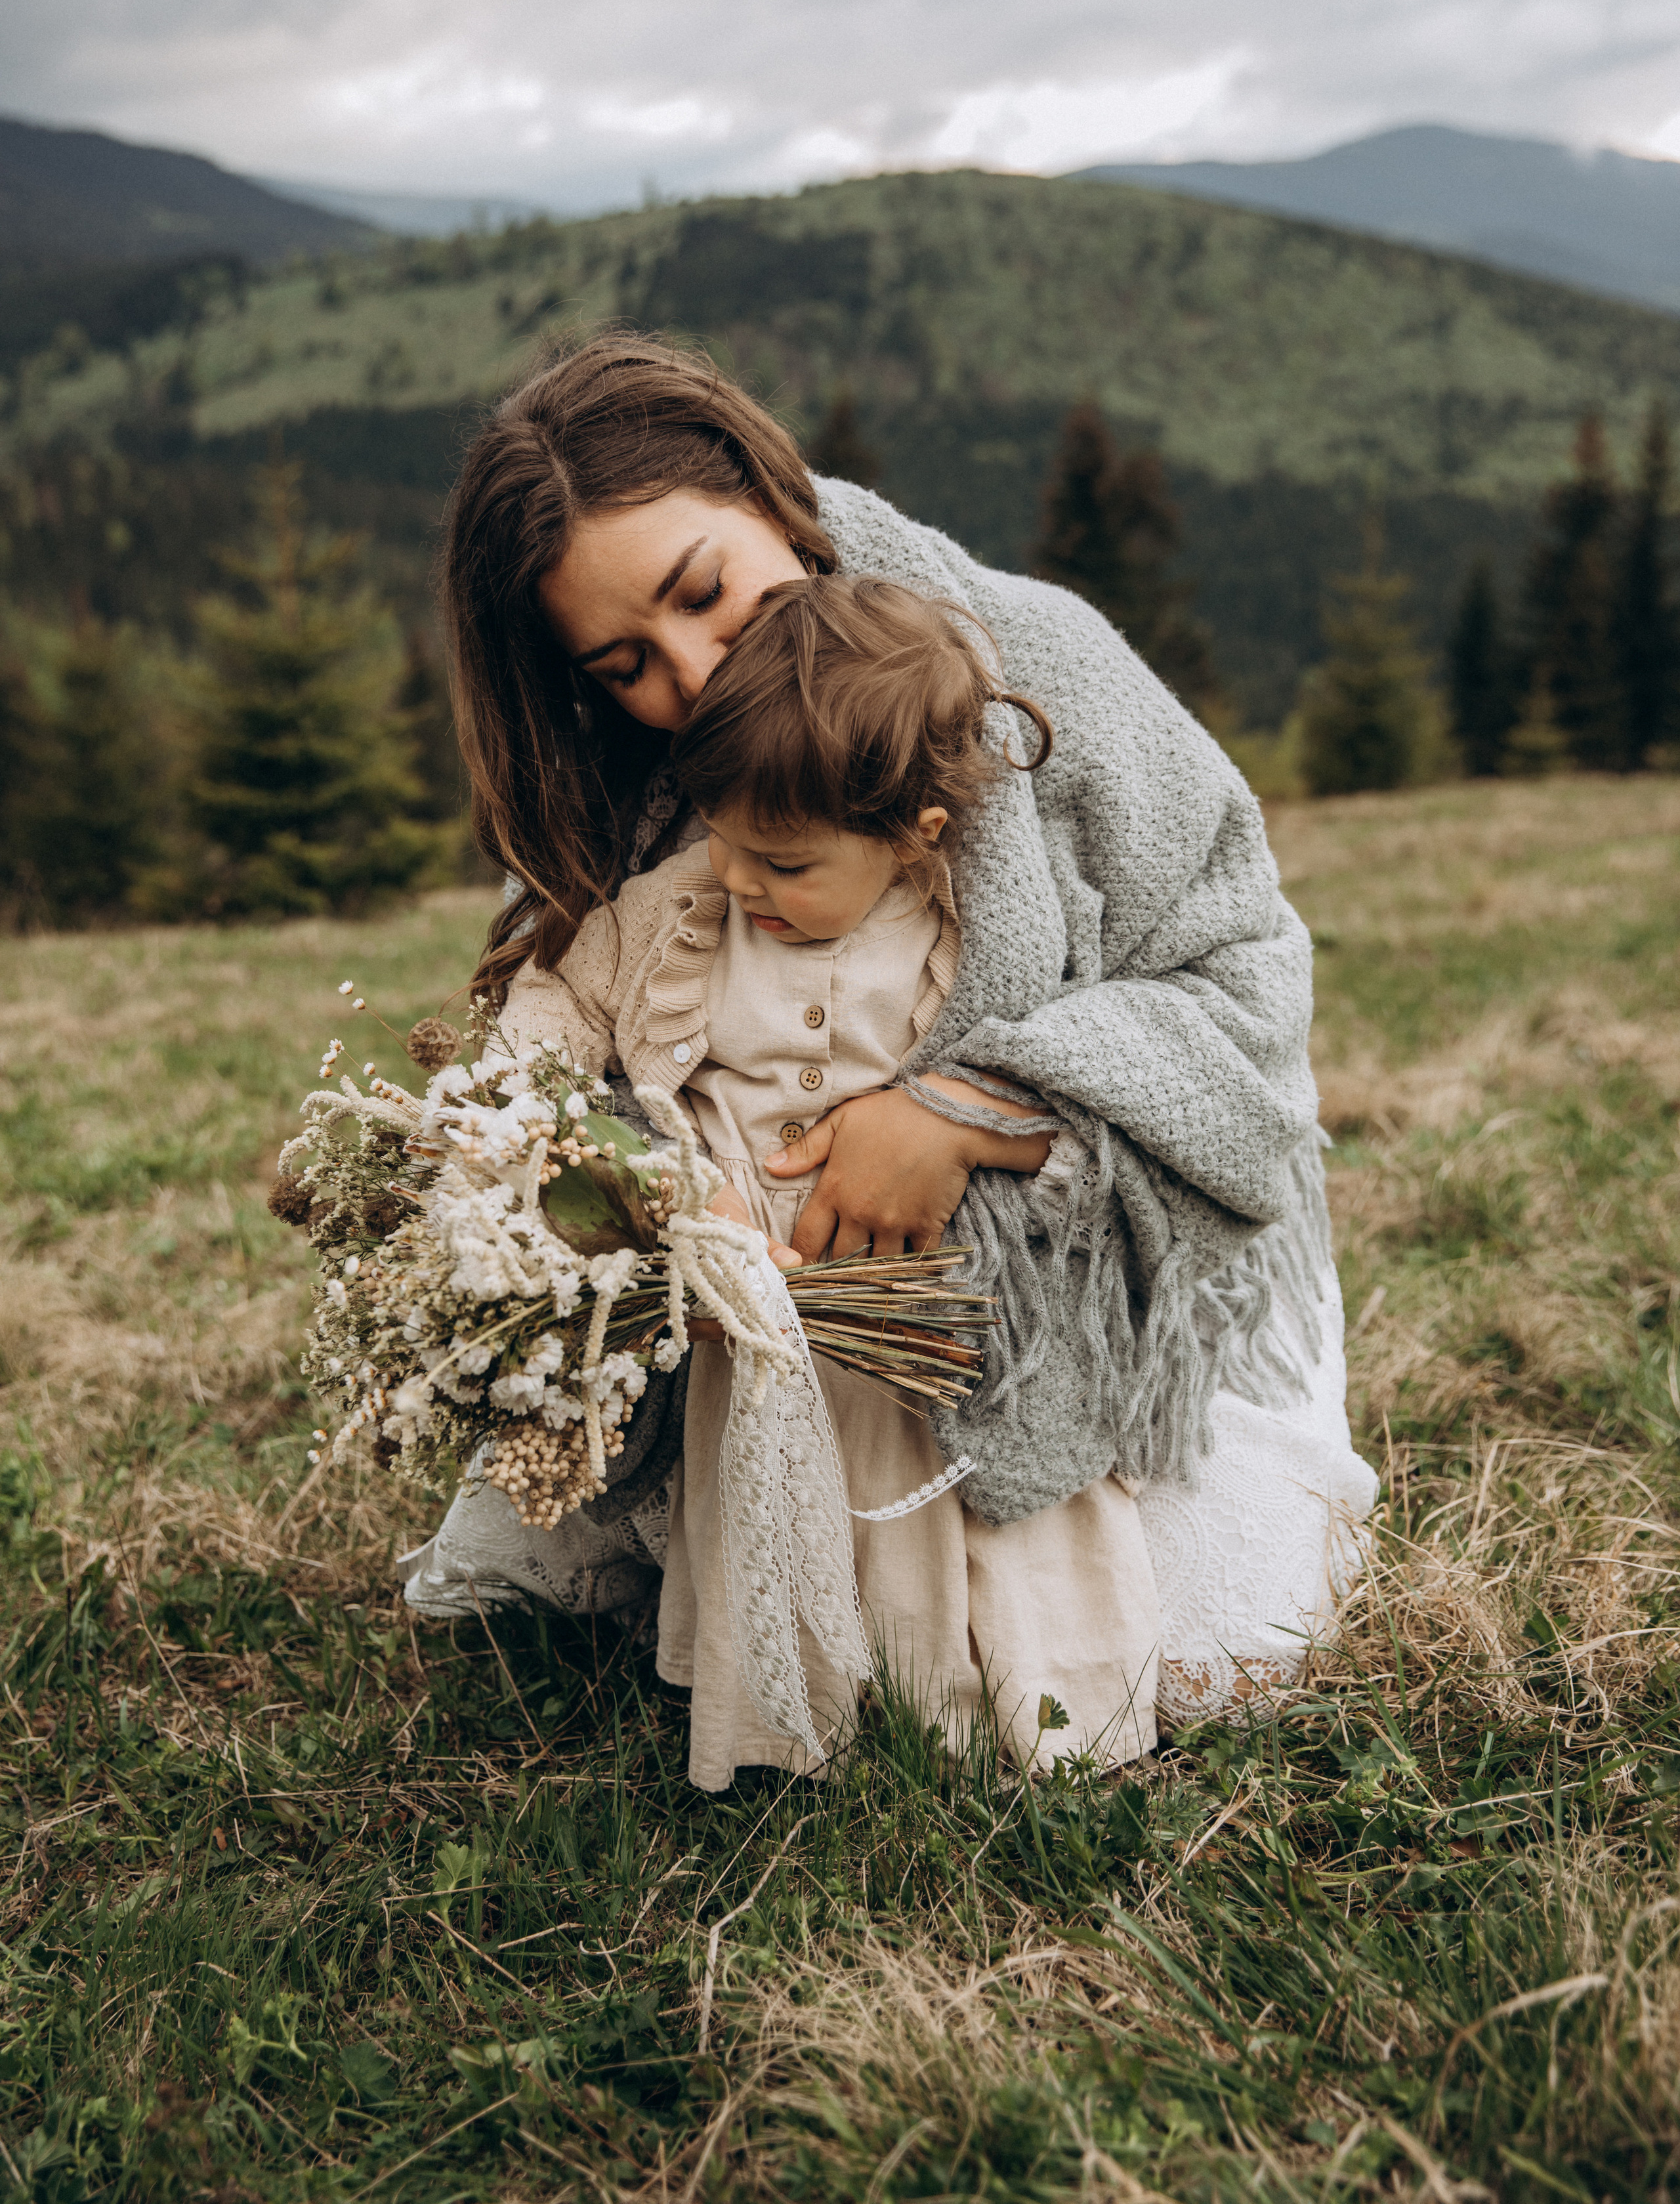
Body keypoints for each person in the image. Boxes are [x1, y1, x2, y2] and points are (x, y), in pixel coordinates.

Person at [399, 330, 1377, 1749]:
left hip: (1092, 1253)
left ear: (771, 496)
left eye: (706, 593)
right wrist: (640, 1186)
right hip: (783, 1325)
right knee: (585, 1594)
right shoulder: (621, 781)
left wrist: (970, 1107)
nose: (689, 675)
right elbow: (571, 1043)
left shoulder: (1027, 658)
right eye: (624, 662)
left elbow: (1240, 981)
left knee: (1219, 1656)